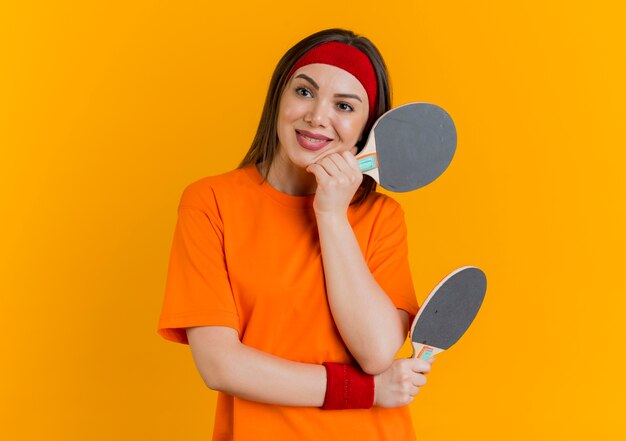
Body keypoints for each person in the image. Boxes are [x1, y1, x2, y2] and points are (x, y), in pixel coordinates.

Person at [157, 28, 434, 441]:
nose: (317, 116)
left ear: (365, 130)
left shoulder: (382, 218)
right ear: (279, 100)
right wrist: (368, 391)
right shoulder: (210, 202)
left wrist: (331, 213)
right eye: (304, 92)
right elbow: (220, 365)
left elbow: (376, 352)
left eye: (344, 105)